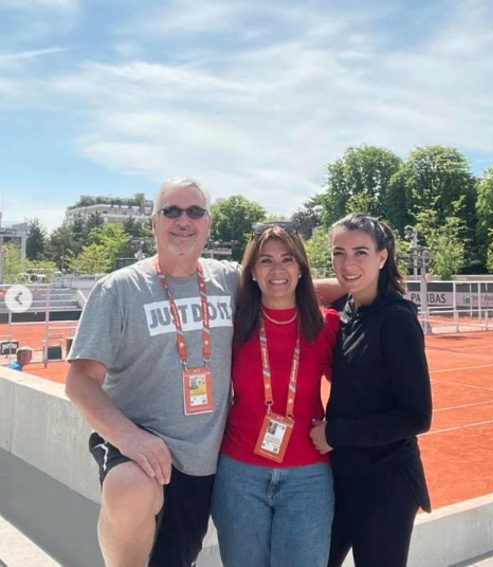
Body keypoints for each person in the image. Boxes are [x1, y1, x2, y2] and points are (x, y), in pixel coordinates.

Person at [65, 177, 240, 567]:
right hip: (141, 446)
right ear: (154, 222)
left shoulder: (229, 280)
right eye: (171, 211)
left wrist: (365, 284)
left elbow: (292, 283)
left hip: (204, 459)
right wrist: (131, 438)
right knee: (129, 489)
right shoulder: (119, 290)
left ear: (208, 224)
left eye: (195, 212)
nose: (183, 220)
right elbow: (79, 381)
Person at [211, 223, 340, 567]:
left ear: (301, 269)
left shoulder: (328, 325)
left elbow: (356, 390)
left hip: (309, 477)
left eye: (287, 259)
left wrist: (339, 430)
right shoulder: (234, 323)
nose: (278, 270)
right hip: (239, 475)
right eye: (266, 261)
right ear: (253, 272)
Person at [310, 213, 432, 567]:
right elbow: (296, 285)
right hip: (342, 476)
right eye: (338, 253)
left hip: (387, 482)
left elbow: (417, 417)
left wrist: (337, 433)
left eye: (360, 252)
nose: (348, 264)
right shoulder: (343, 310)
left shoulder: (397, 321)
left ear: (383, 256)